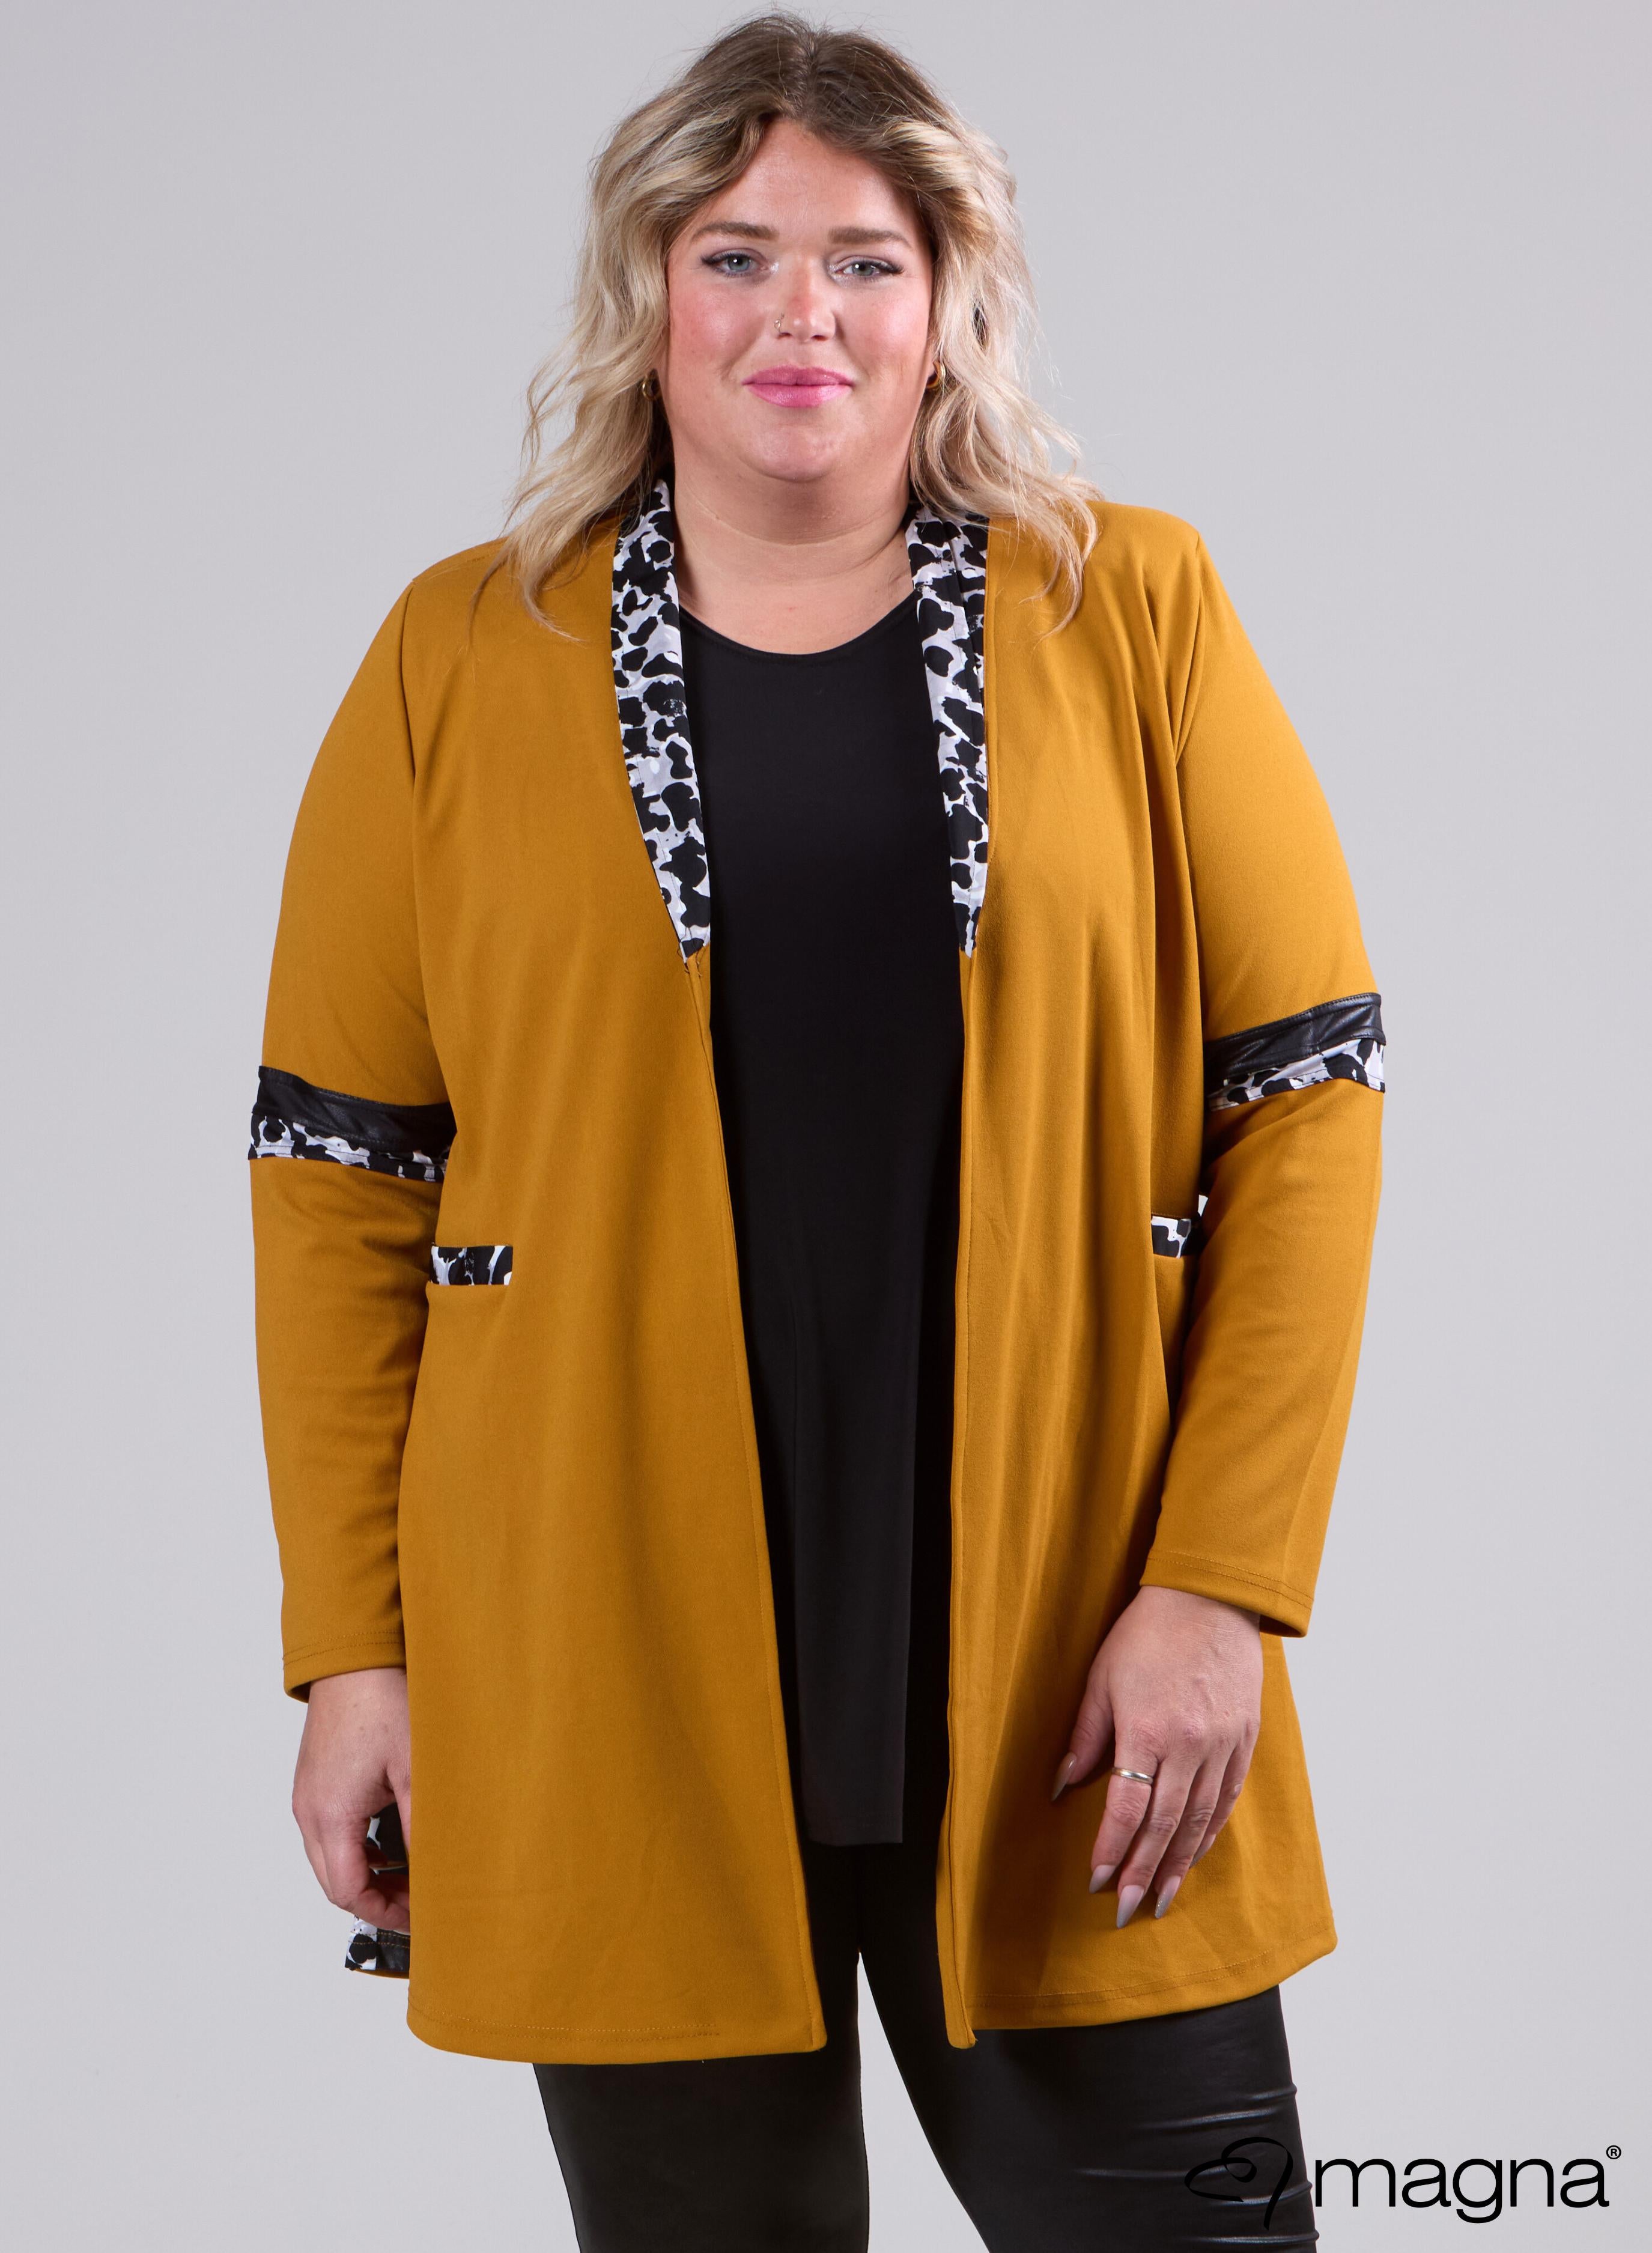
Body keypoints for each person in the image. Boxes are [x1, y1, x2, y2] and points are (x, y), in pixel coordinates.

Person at [249, 15, 1383, 2249]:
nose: (805, 314)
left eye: (868, 258)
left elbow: (1308, 1102)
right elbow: (338, 1177)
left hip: (1067, 1656)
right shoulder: (456, 658)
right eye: (738, 253)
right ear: (648, 289)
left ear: (948, 300)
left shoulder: (1131, 609)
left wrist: (1218, 1587)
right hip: (606, 1648)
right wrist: (357, 1651)